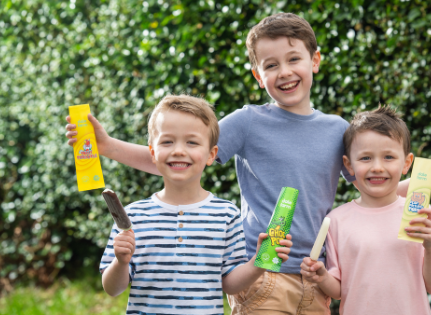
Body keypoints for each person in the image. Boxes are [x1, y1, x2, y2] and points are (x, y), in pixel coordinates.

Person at [67, 13, 431, 314]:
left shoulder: (337, 130)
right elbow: (179, 160)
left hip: (318, 275)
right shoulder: (248, 122)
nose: (284, 72)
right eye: (270, 65)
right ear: (256, 75)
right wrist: (107, 147)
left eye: (293, 59)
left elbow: (381, 192)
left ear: (314, 61)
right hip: (261, 274)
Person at [99, 94, 292, 315]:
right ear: (152, 152)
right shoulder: (133, 215)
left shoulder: (226, 214)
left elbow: (229, 283)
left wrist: (259, 263)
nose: (179, 150)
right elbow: (113, 288)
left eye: (191, 142)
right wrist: (122, 262)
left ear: (211, 155)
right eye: (167, 141)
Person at [300, 106, 431, 315]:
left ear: (407, 163)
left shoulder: (419, 213)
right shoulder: (336, 221)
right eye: (365, 158)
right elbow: (339, 291)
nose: (377, 167)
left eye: (389, 157)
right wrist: (322, 276)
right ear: (349, 165)